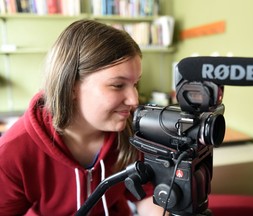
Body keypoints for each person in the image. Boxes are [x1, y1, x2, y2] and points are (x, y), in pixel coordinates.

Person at [0, 19, 167, 216]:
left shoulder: (131, 132)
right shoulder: (12, 151)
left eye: (135, 84)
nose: (134, 100)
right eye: (117, 85)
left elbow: (148, 196)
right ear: (71, 86)